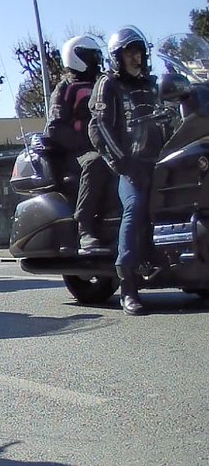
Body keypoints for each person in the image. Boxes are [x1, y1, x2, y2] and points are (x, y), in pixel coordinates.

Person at [88, 26, 161, 315]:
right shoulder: (109, 84)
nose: (136, 58)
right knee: (136, 204)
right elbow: (99, 126)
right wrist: (125, 164)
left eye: (139, 52)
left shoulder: (152, 85)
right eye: (129, 53)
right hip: (129, 166)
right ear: (117, 57)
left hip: (162, 160)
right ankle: (128, 285)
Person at [46, 35, 111, 252]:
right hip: (77, 152)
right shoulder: (66, 87)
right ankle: (85, 227)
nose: (96, 61)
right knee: (96, 162)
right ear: (77, 57)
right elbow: (54, 128)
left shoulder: (104, 84)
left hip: (108, 146)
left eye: (97, 56)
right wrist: (90, 143)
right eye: (91, 56)